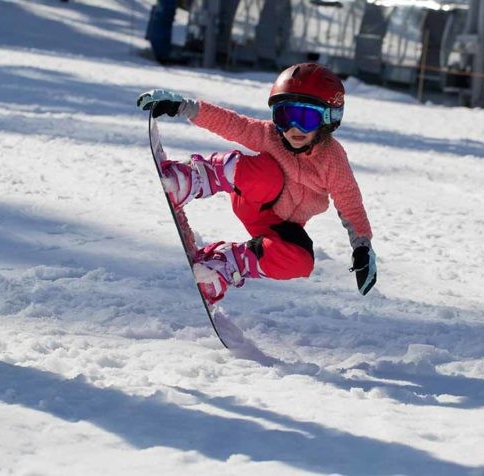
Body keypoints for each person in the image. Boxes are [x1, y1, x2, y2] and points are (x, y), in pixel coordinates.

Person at [137, 63, 377, 304]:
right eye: (285, 116)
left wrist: (361, 247)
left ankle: (225, 264)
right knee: (268, 174)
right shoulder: (272, 135)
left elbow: (349, 202)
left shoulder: (333, 160)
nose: (294, 128)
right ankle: (193, 179)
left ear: (328, 119)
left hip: (278, 226)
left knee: (301, 261)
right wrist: (184, 107)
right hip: (253, 199)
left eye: (306, 117)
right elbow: (234, 125)